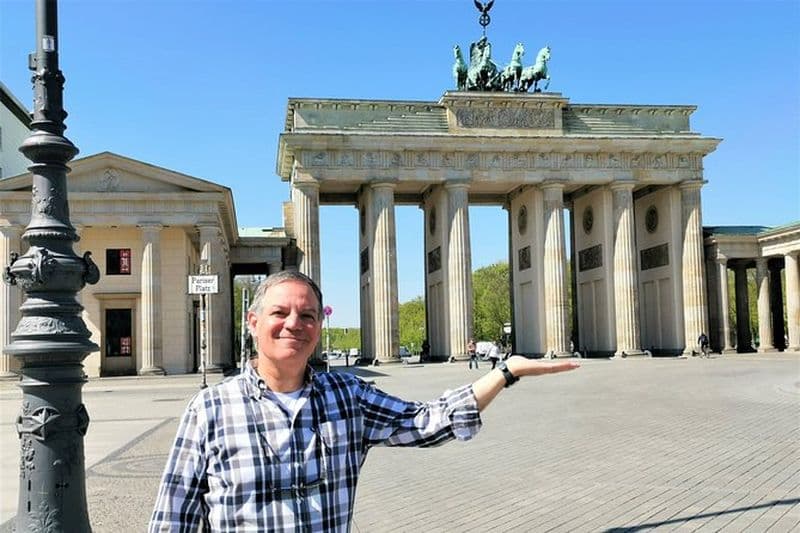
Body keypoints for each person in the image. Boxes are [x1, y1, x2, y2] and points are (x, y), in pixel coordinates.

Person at [149, 270, 579, 532]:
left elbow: (427, 423)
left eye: (308, 315)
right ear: (253, 321)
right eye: (280, 313)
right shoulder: (209, 410)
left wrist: (505, 373)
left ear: (318, 326)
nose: (293, 324)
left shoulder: (347, 397)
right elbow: (173, 520)